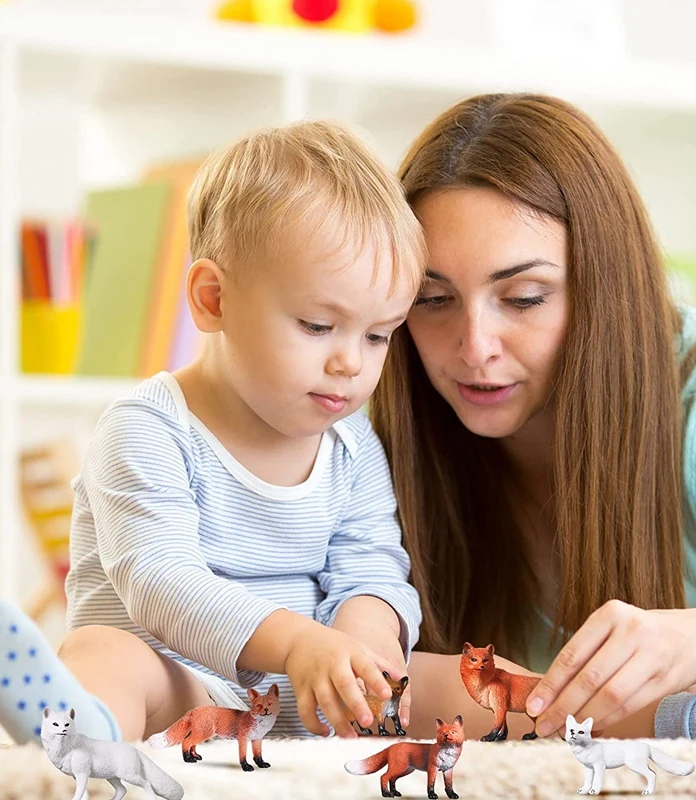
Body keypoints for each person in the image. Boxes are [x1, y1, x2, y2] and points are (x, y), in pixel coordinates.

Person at [374, 93, 696, 741]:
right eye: (433, 299)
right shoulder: (385, 410)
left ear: (603, 285)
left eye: (523, 297)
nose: (474, 345)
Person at [0, 120, 426, 743]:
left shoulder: (352, 446)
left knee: (459, 678)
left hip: (311, 701)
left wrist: (364, 648)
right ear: (213, 299)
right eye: (316, 325)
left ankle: (568, 714)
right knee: (106, 655)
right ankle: (81, 742)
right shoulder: (146, 429)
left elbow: (372, 570)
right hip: (189, 697)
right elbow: (161, 582)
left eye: (378, 334)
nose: (351, 364)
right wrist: (299, 642)